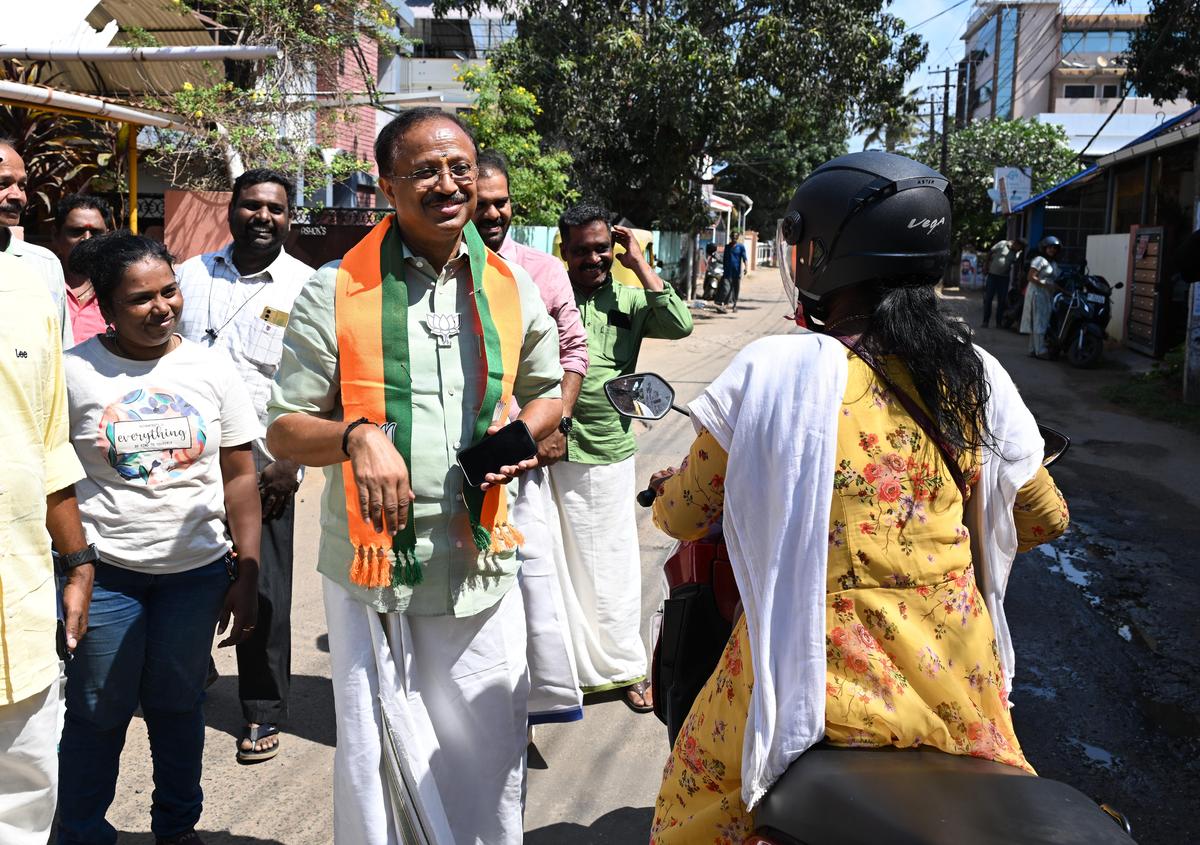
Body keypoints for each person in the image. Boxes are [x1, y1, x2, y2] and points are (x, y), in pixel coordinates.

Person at [646, 152, 1069, 842]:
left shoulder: (776, 371)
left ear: (819, 254)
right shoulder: (975, 375)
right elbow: (1044, 517)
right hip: (954, 680)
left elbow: (688, 512)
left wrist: (668, 494)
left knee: (691, 810)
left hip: (808, 676)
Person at [266, 107, 563, 845]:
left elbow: (555, 389)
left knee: (488, 752)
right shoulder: (335, 290)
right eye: (424, 170)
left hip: (480, 563)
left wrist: (526, 429)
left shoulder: (512, 284)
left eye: (459, 167)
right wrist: (356, 435)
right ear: (385, 185)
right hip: (376, 579)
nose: (447, 184)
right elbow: (283, 427)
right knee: (377, 760)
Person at [57, 232, 261, 845]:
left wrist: (247, 572)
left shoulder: (210, 368)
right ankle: (82, 831)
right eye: (140, 298)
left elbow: (240, 475)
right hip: (107, 575)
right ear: (108, 308)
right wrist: (74, 567)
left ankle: (176, 827)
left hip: (194, 575)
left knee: (177, 709)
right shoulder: (73, 374)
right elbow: (53, 481)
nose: (161, 307)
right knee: (95, 715)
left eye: (169, 290)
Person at [176, 168, 314, 764]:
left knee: (263, 589)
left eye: (276, 209)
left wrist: (291, 461)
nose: (263, 217)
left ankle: (261, 709)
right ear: (231, 209)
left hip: (265, 464)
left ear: (289, 217)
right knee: (182, 577)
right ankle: (185, 675)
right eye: (252, 205)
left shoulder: (309, 287)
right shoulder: (188, 276)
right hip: (184, 455)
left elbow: (318, 384)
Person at [550, 202, 694, 713]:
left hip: (608, 451)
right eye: (581, 250)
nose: (593, 259)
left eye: (601, 248)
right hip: (551, 450)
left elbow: (679, 324)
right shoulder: (549, 295)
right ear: (563, 252)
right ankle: (559, 672)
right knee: (556, 567)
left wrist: (638, 261)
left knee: (611, 568)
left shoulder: (631, 300)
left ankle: (625, 669)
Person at [473, 149, 587, 725]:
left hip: (523, 448)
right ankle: (481, 706)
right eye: (481, 204)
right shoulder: (436, 272)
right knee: (473, 584)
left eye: (502, 203)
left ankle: (533, 704)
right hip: (456, 452)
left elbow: (573, 350)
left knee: (530, 575)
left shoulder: (541, 270)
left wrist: (557, 421)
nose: (493, 215)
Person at [0, 252, 91, 845]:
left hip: (22, 598)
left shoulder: (30, 294)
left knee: (27, 788)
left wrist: (78, 562)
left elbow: (51, 443)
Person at [0, 138, 71, 345]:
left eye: (22, 186)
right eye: (3, 184)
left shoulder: (44, 264)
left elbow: (62, 349)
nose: (19, 197)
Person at [51, 194, 113, 346]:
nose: (86, 238)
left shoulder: (118, 290)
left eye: (96, 233)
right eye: (76, 231)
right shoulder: (42, 284)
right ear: (56, 236)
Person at [1021, 235, 1061, 359]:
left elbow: (1054, 281)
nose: (1052, 250)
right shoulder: (1039, 260)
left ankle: (1033, 349)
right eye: (1050, 248)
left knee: (1039, 321)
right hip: (1037, 293)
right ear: (1044, 248)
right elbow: (1030, 277)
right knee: (1039, 321)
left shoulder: (1053, 263)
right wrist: (1044, 284)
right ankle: (1040, 351)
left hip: (1046, 294)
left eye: (1054, 248)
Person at [981, 237, 1023, 328]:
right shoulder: (1002, 243)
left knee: (1002, 301)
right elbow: (990, 253)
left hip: (1004, 278)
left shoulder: (1017, 254)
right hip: (992, 276)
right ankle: (985, 321)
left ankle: (999, 323)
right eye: (1019, 247)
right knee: (988, 299)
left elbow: (1018, 266)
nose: (1019, 249)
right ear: (1016, 243)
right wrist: (985, 266)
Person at [715, 231, 748, 312]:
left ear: (737, 238)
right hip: (727, 272)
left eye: (735, 238)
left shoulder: (741, 247)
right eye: (733, 237)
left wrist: (746, 267)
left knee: (735, 290)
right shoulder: (727, 247)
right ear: (731, 238)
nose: (734, 239)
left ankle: (734, 305)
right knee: (726, 289)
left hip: (736, 273)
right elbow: (725, 259)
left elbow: (744, 258)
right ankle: (724, 305)